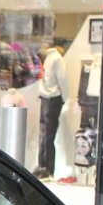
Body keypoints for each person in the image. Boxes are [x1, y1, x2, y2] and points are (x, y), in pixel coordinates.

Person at [34, 43, 67, 179]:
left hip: (45, 97)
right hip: (53, 98)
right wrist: (65, 97)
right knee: (48, 134)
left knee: (44, 134)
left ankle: (43, 165)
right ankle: (47, 168)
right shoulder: (57, 59)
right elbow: (63, 80)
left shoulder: (49, 58)